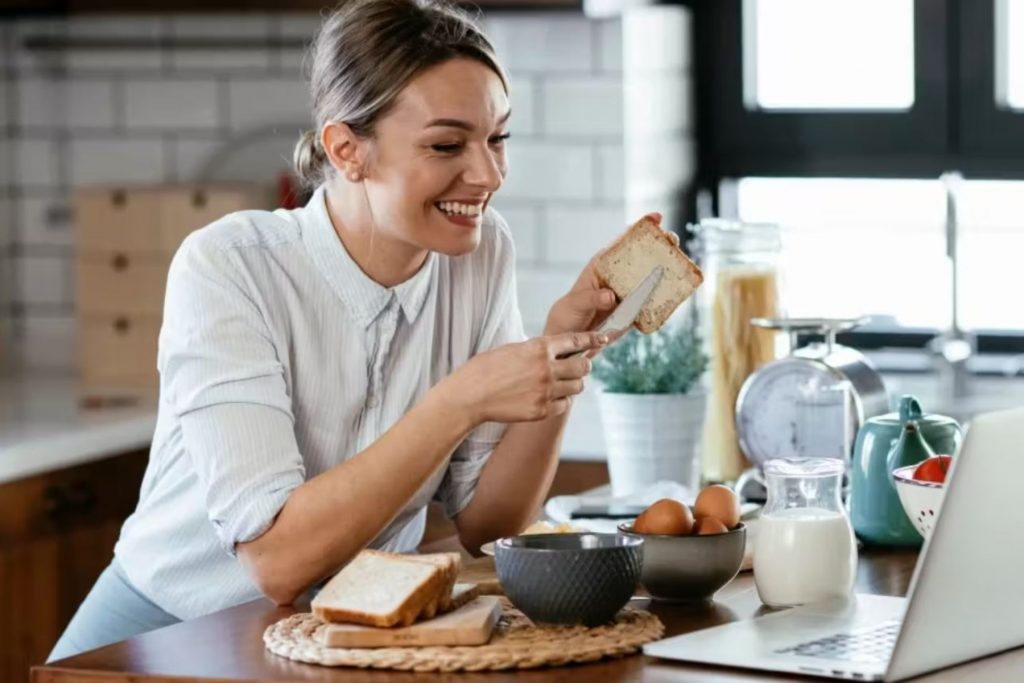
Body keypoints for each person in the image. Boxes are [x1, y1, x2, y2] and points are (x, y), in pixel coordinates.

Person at [47, 0, 645, 661]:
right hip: (171, 631)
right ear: (346, 149)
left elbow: (488, 524)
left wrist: (562, 348)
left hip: (346, 635)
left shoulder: (480, 253)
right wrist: (459, 400)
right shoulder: (230, 265)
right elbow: (277, 560)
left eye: (498, 137)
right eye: (447, 145)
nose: (488, 174)